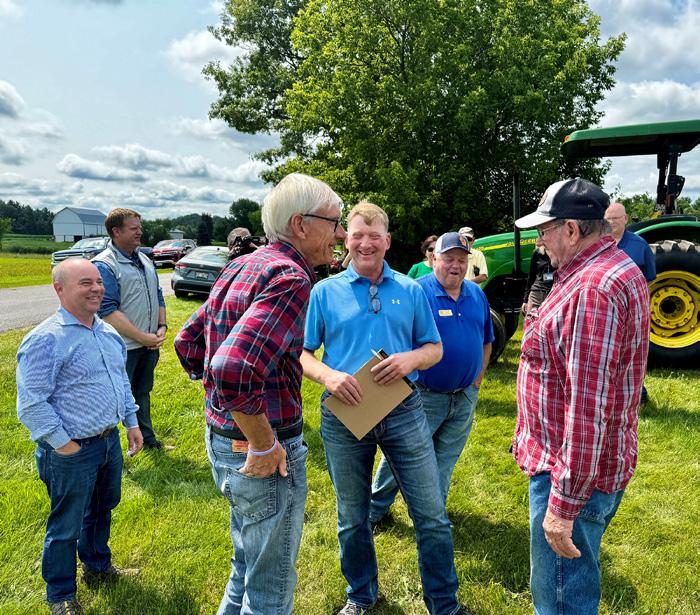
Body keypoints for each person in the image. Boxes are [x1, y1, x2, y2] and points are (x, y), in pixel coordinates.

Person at [174, 173, 346, 615]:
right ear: (301, 224)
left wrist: (222, 411)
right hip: (262, 450)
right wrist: (263, 442)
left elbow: (188, 342)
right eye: (335, 222)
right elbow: (231, 368)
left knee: (246, 564)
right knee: (270, 589)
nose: (341, 234)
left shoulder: (244, 264)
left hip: (224, 441)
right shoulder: (291, 277)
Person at [301, 202, 469, 615]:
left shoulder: (411, 291)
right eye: (357, 235)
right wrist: (328, 377)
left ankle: (444, 604)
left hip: (403, 409)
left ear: (387, 241)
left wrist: (410, 360)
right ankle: (361, 595)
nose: (366, 244)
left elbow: (434, 348)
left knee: (430, 515)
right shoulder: (324, 292)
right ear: (346, 240)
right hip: (344, 413)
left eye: (374, 236)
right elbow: (302, 355)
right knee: (352, 517)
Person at [513, 178, 650, 615]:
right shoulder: (604, 269)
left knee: (559, 600)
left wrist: (564, 504)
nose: (540, 242)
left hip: (570, 474)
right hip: (582, 466)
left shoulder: (593, 288)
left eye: (544, 231)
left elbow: (588, 408)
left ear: (571, 229)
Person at [16, 258, 143, 615]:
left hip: (108, 442)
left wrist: (131, 422)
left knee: (102, 509)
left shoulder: (107, 332)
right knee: (65, 525)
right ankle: (60, 594)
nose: (96, 288)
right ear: (59, 289)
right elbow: (31, 404)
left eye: (98, 282)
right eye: (85, 283)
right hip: (71, 452)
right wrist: (66, 446)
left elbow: (120, 382)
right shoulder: (45, 339)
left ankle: (98, 567)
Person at [370, 231, 494, 524]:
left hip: (464, 396)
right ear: (433, 258)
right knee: (402, 455)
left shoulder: (476, 293)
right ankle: (374, 510)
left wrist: (477, 380)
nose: (456, 265)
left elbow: (486, 340)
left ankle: (430, 516)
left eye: (462, 259)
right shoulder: (417, 292)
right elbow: (392, 339)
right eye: (449, 258)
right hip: (423, 395)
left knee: (445, 459)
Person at [93, 208, 168, 450]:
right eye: (134, 228)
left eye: (140, 228)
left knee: (142, 393)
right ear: (116, 231)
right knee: (115, 398)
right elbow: (108, 311)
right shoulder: (105, 264)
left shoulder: (145, 259)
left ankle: (147, 440)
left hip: (148, 344)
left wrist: (162, 326)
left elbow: (158, 295)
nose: (140, 232)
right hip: (122, 347)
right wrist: (143, 337)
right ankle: (108, 450)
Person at [604, 202, 656, 281]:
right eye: (608, 219)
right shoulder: (596, 244)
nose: (611, 222)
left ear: (626, 219)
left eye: (615, 218)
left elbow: (649, 278)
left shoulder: (641, 246)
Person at [521, 246, 554, 315]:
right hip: (537, 294)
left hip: (552, 294)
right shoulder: (537, 253)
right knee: (531, 320)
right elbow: (531, 277)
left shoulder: (560, 252)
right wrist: (525, 300)